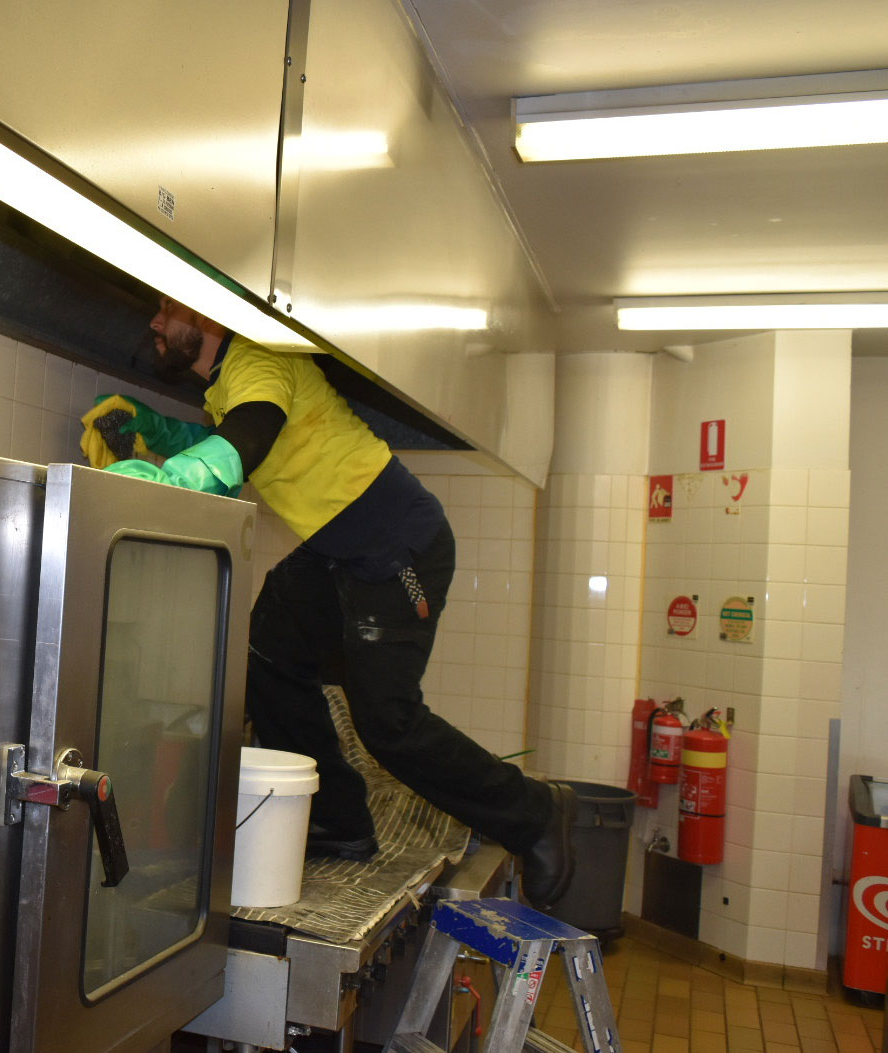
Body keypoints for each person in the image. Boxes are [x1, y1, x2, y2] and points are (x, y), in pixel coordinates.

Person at [81, 296, 576, 910]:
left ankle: (535, 813)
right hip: (337, 547)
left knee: (388, 721)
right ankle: (339, 818)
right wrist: (153, 429)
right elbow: (227, 434)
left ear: (207, 316)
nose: (154, 322)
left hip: (395, 547)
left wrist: (169, 483)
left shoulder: (258, 361)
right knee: (264, 649)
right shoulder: (235, 375)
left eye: (166, 310)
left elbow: (247, 439)